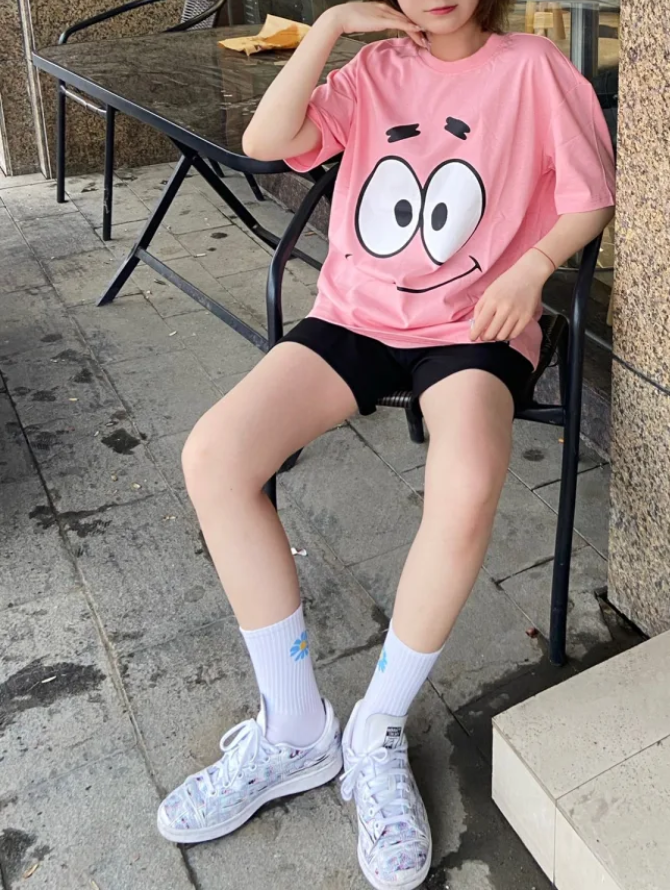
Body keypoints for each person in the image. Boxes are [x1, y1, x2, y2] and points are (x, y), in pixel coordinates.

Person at [156, 0, 615, 886]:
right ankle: (295, 732)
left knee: (469, 478)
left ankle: (376, 728)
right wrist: (329, 26)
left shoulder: (533, 68)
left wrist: (531, 269)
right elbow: (266, 139)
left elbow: (592, 195)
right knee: (215, 456)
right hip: (356, 317)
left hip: (474, 325)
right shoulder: (373, 72)